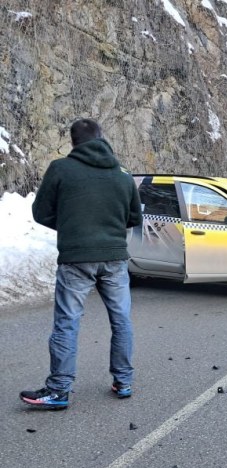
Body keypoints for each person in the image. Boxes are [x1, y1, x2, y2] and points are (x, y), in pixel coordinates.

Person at [20, 118, 142, 409]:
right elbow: (134, 219)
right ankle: (123, 381)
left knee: (67, 322)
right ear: (101, 138)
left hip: (76, 259)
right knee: (121, 320)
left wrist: (71, 225)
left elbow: (40, 212)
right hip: (114, 258)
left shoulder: (61, 169)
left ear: (73, 142)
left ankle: (59, 390)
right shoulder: (123, 176)